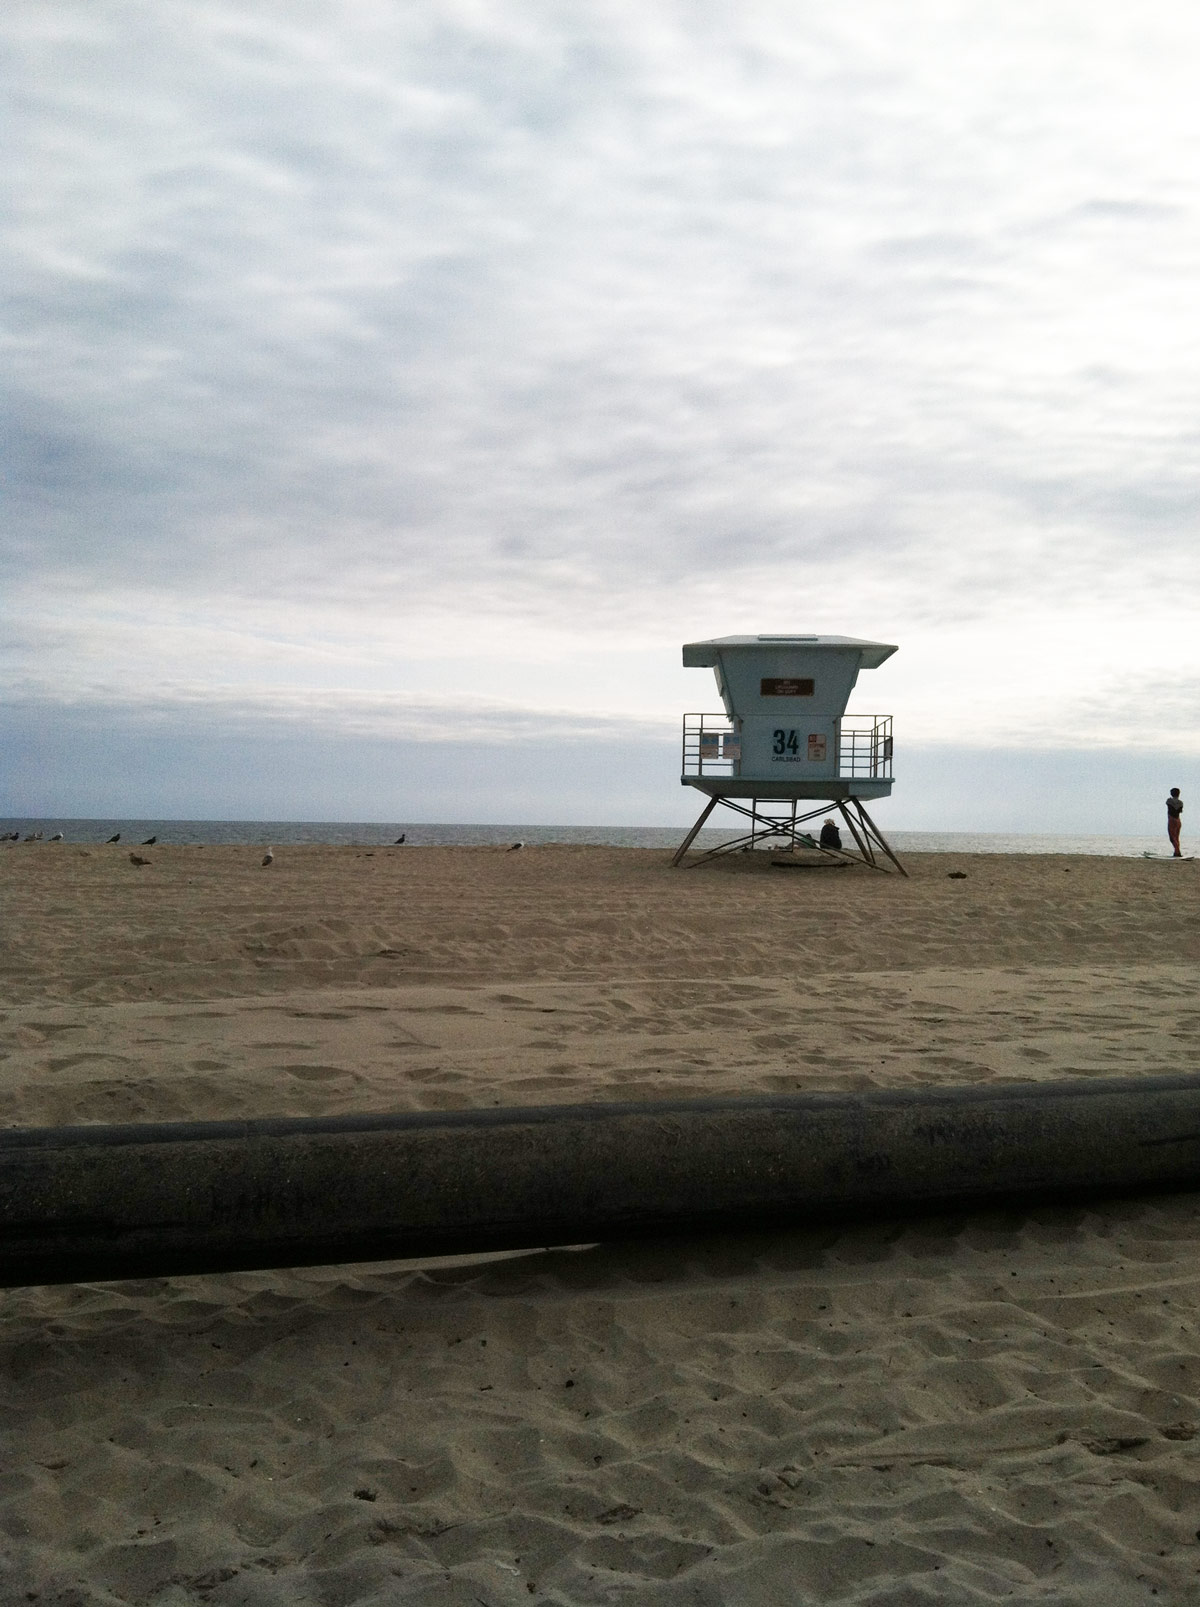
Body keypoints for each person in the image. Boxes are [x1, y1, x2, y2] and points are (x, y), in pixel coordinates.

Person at [1166, 788, 1184, 857]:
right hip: (1178, 820)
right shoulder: (1180, 802)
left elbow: (1171, 809)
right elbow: (1180, 811)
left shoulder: (1169, 800)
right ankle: (1176, 851)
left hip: (1171, 819)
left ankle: (1177, 851)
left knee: (1172, 837)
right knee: (1176, 837)